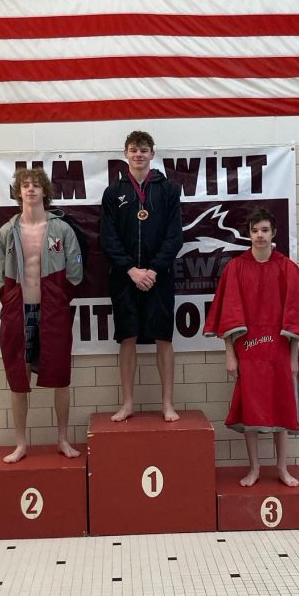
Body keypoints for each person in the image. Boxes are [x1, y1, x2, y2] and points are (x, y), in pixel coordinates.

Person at [204, 207, 299, 488]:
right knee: (251, 410)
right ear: (249, 234)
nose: (260, 236)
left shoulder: (287, 268)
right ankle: (254, 468)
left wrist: (292, 358)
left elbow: (297, 317)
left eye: (265, 230)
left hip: (279, 352)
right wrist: (230, 355)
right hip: (248, 352)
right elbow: (227, 314)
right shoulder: (236, 268)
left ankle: (281, 468)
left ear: (274, 233)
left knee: (282, 407)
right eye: (255, 231)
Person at [0, 167, 83, 462]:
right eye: (25, 185)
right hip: (19, 310)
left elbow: (75, 272)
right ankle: (21, 443)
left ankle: (62, 439)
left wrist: (58, 298)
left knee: (60, 376)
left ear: (45, 191)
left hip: (52, 311)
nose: (30, 190)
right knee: (18, 377)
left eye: (35, 185)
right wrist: (10, 299)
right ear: (18, 192)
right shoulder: (8, 231)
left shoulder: (61, 229)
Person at [100, 131, 183, 422]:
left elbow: (175, 237)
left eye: (144, 150)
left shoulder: (169, 190)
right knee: (127, 338)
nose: (138, 154)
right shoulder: (113, 192)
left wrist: (154, 269)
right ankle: (128, 403)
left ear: (152, 154)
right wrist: (132, 270)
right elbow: (108, 238)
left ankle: (167, 404)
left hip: (160, 276)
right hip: (125, 277)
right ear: (125, 154)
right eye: (134, 150)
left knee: (164, 338)